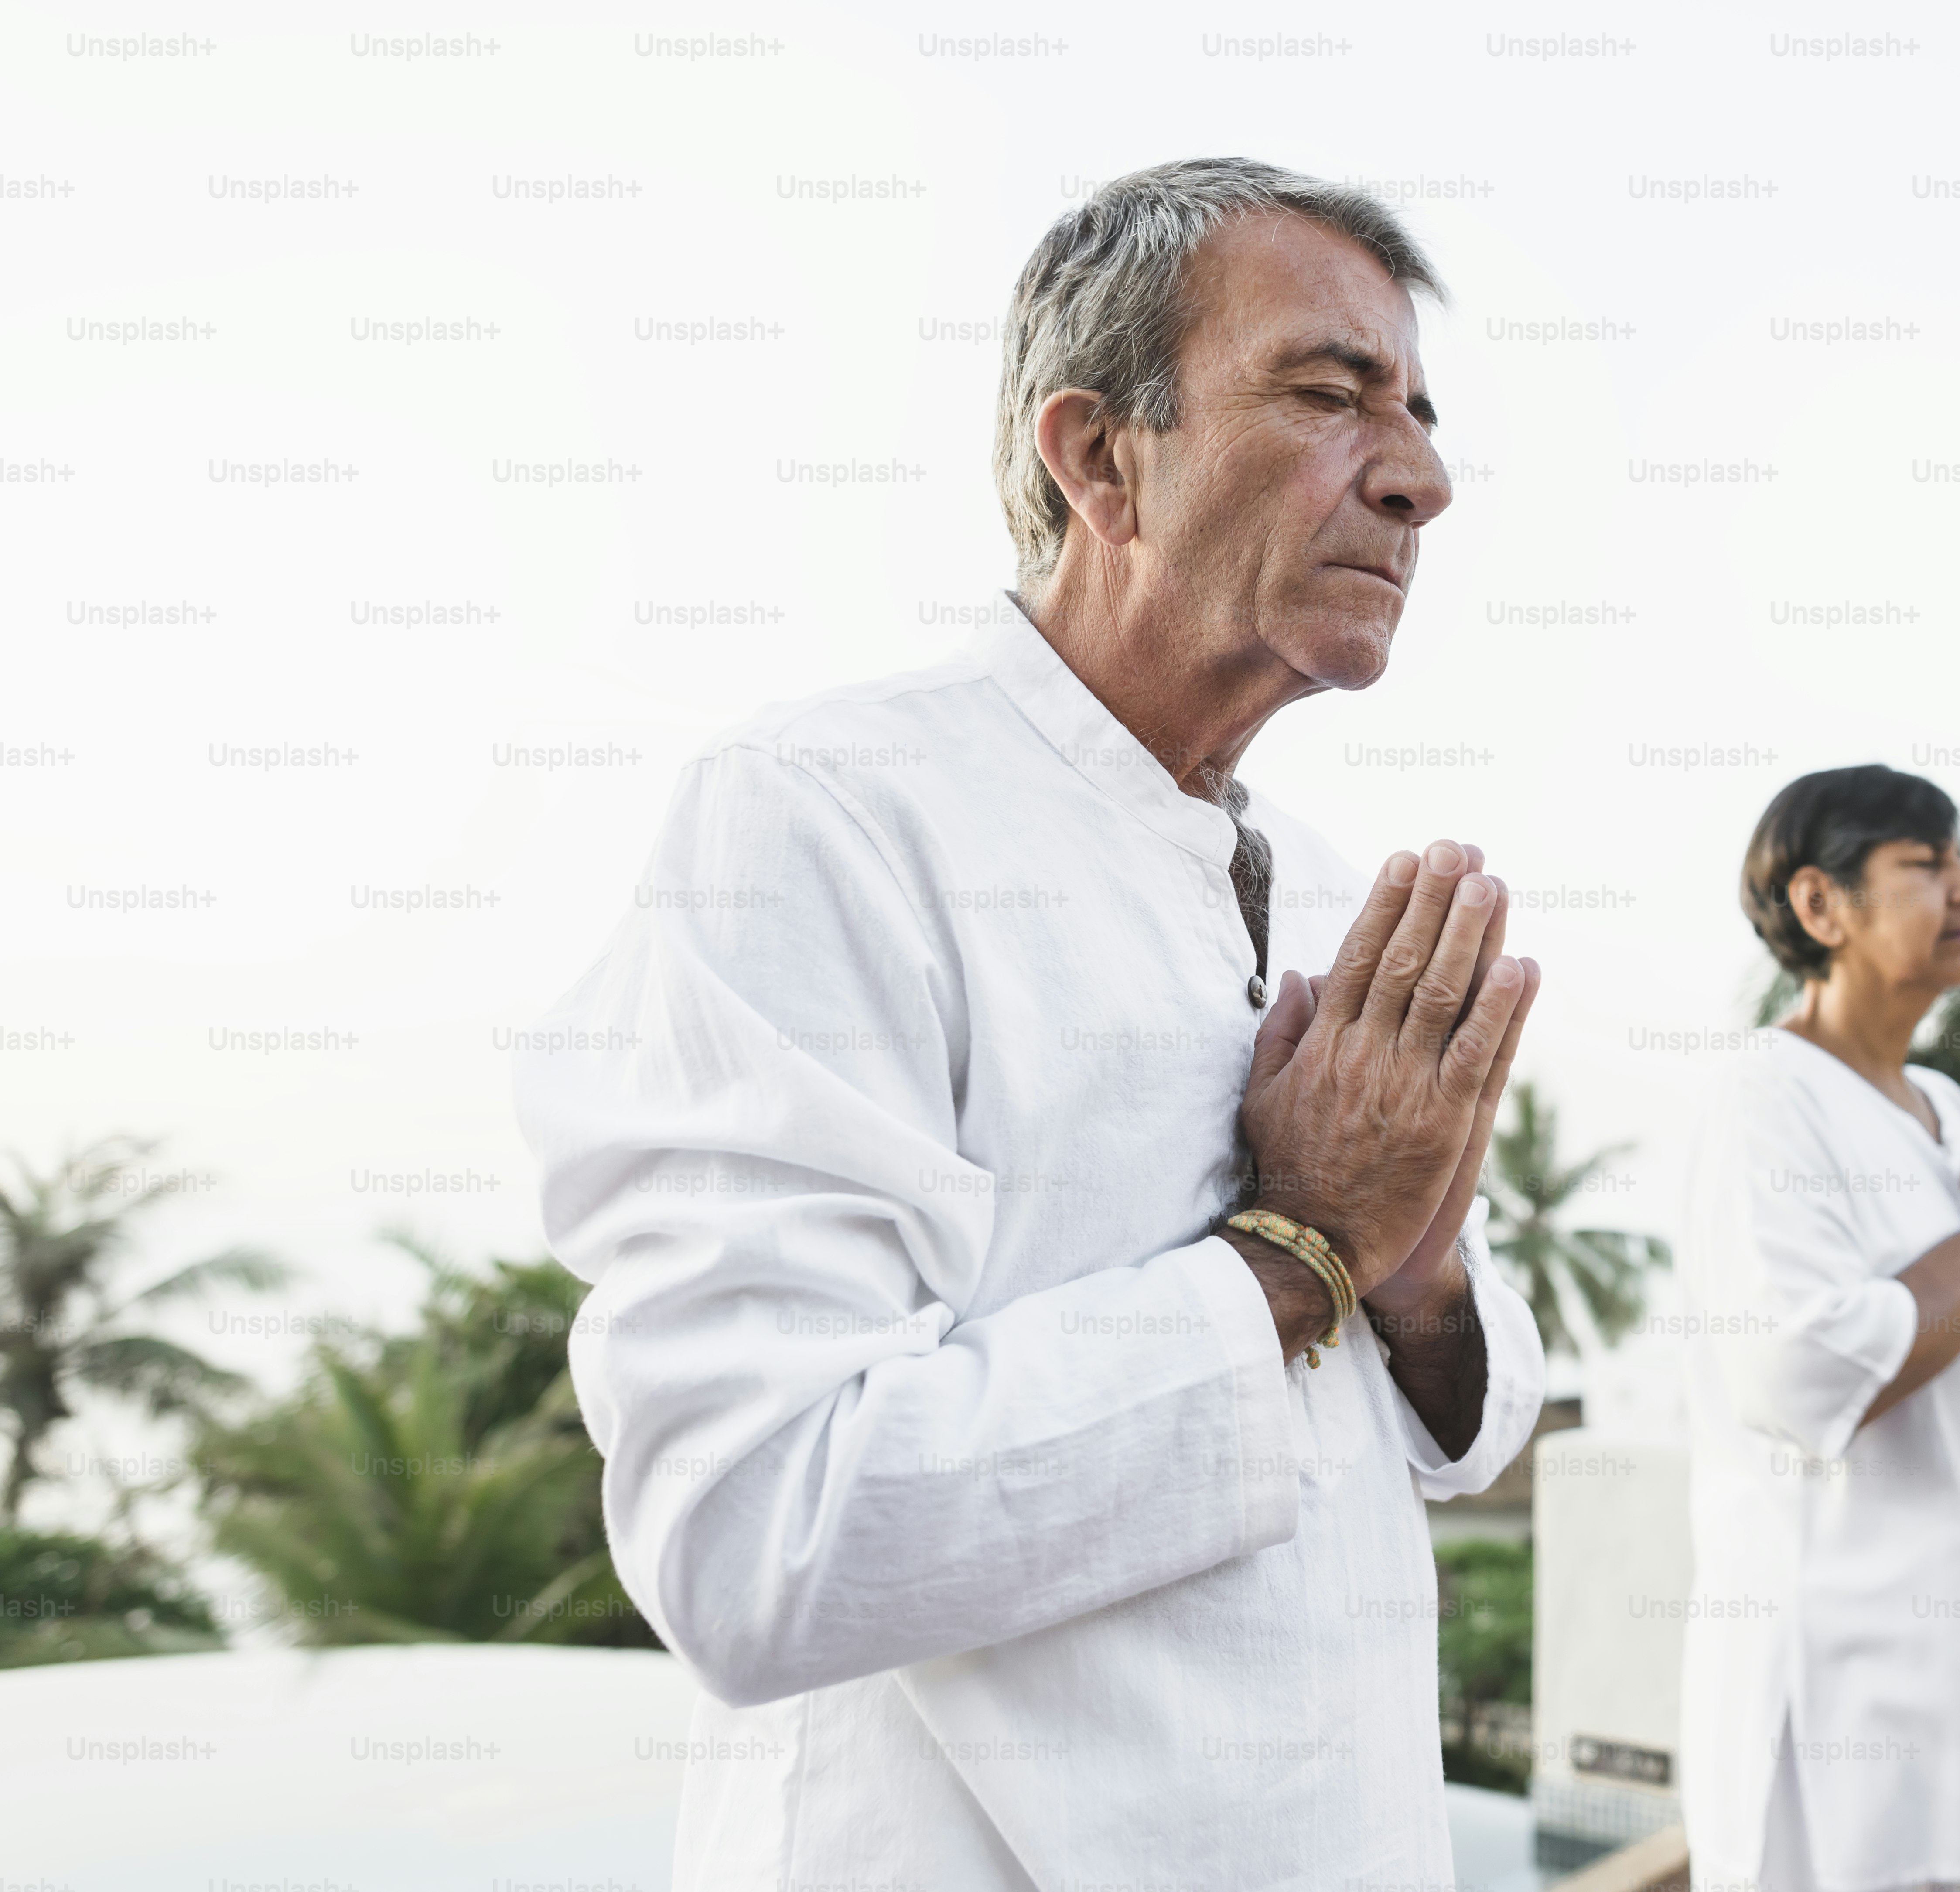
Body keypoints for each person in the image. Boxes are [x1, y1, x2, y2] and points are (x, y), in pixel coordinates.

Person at [514, 160, 1550, 1891]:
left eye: (1422, 415)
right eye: (1326, 393)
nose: (1419, 477)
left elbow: (1456, 1426)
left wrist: (1418, 1276)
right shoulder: (827, 815)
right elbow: (757, 1537)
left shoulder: (1316, 883)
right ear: (1095, 455)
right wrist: (1296, 1250)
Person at [1680, 765, 1960, 1892]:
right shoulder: (1763, 1099)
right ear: (1819, 906)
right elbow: (1802, 1367)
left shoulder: (1953, 1112)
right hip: (1869, 1701)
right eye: (1926, 865)